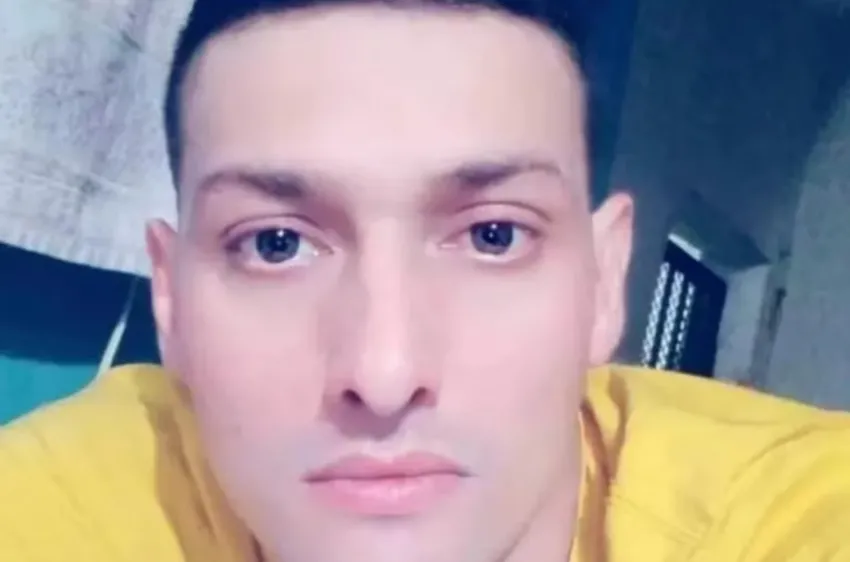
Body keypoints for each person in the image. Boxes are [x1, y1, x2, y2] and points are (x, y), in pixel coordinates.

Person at [1, 0, 849, 560]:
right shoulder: (71, 503)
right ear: (171, 302)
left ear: (603, 281)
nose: (384, 374)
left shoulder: (792, 512)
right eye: (276, 245)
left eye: (492, 235)